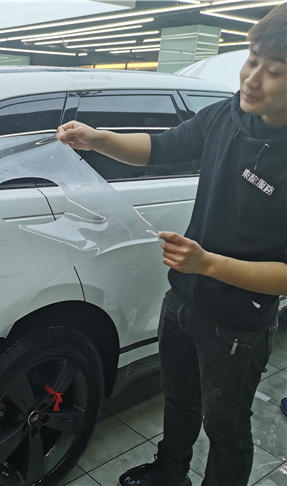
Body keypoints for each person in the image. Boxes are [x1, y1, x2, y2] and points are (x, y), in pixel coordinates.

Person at [57, 4, 286, 486]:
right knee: (179, 398)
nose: (252, 79)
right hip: (182, 297)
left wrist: (210, 263)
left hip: (237, 322)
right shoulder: (226, 115)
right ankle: (170, 471)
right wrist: (98, 139)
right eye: (252, 60)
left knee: (226, 427)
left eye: (275, 72)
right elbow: (161, 148)